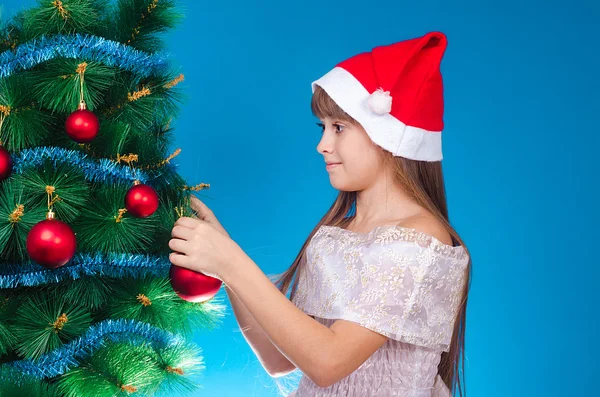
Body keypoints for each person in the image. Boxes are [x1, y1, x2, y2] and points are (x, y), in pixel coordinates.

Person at [169, 30, 472, 397]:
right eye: (323, 127)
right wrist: (224, 260)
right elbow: (280, 359)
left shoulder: (421, 241)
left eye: (339, 128)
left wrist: (232, 263)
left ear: (389, 137)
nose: (322, 144)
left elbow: (328, 362)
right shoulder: (339, 233)